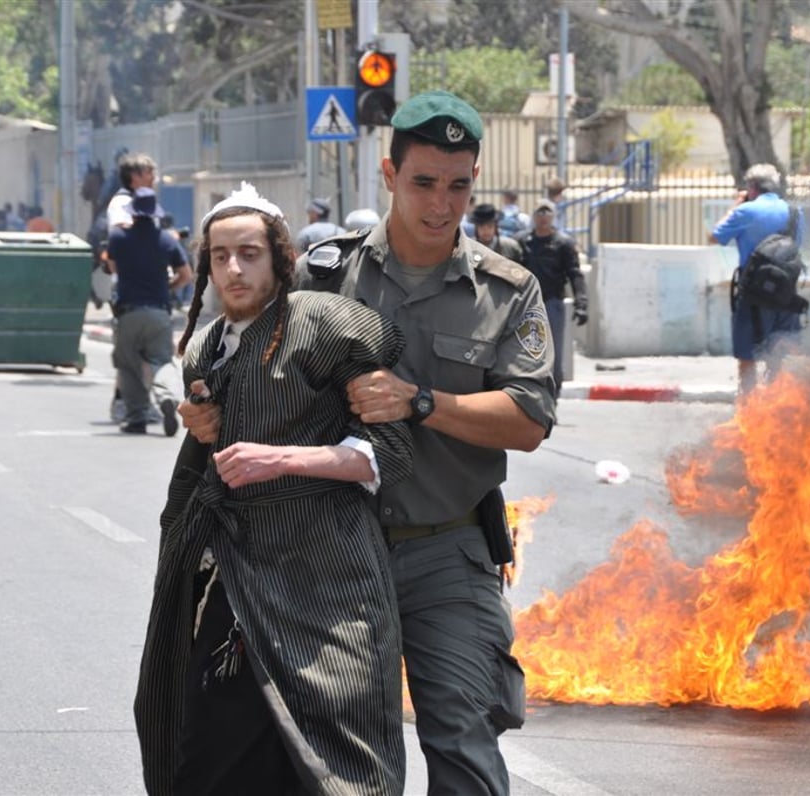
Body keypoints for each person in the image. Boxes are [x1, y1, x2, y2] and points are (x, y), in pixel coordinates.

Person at [182, 90, 557, 795]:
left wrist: (421, 402)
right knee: (322, 756)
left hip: (448, 552)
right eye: (423, 182)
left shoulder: (509, 292)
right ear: (389, 176)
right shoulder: (325, 274)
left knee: (465, 742)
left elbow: (529, 419)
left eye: (458, 185)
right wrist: (206, 410)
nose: (440, 204)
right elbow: (237, 359)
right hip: (323, 551)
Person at [135, 183, 414, 795]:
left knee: (337, 764)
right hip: (234, 582)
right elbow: (210, 462)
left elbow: (389, 454)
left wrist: (283, 459)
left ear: (281, 257)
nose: (234, 269)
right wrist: (203, 427)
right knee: (211, 756)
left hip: (326, 581)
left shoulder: (328, 327)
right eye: (220, 256)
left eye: (250, 253)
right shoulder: (206, 347)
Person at [708, 163, 805, 395]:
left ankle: (749, 407)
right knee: (780, 354)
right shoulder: (794, 213)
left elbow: (714, 237)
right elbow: (799, 245)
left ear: (751, 187)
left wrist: (737, 205)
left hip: (752, 294)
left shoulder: (745, 211)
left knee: (747, 357)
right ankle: (776, 408)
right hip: (786, 293)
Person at [106, 187, 191, 435]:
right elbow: (186, 275)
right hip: (159, 312)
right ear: (155, 213)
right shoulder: (167, 240)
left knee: (129, 366)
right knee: (162, 361)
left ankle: (137, 417)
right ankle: (167, 398)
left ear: (132, 212)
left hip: (129, 311)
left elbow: (112, 268)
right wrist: (169, 287)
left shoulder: (118, 238)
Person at [513, 198, 588, 398]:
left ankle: (552, 401)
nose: (543, 217)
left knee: (553, 356)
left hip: (552, 302)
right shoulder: (522, 242)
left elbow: (575, 274)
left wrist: (582, 304)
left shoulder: (563, 244)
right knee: (525, 355)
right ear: (534, 216)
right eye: (540, 212)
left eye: (547, 213)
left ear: (553, 217)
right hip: (525, 305)